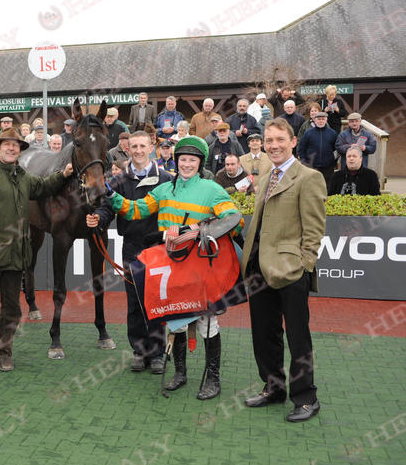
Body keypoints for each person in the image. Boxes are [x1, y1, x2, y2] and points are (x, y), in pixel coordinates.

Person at [105, 135, 243, 400]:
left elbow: (234, 219)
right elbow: (135, 210)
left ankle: (213, 379)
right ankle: (180, 373)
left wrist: (197, 228)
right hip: (172, 266)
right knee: (177, 322)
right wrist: (110, 195)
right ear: (176, 161)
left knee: (206, 323)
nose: (187, 164)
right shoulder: (164, 189)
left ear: (200, 162)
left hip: (201, 267)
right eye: (182, 159)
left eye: (192, 160)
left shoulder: (211, 189)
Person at [0, 128, 73, 374]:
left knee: (11, 309)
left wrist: (63, 174)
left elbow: (43, 187)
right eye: (7, 145)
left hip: (15, 255)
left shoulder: (23, 177)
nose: (12, 148)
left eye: (16, 145)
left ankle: (4, 353)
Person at [241, 118, 326, 422]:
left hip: (291, 270)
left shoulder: (309, 177)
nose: (273, 145)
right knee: (265, 334)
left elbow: (315, 229)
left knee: (298, 337)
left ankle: (306, 398)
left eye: (279, 139)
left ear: (292, 142)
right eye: (269, 140)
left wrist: (304, 265)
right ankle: (273, 388)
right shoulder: (266, 175)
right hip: (259, 267)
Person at [87, 131, 174, 374]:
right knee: (135, 303)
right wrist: (98, 219)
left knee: (156, 302)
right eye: (133, 146)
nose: (137, 150)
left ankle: (157, 353)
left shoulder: (166, 179)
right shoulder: (118, 182)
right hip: (132, 248)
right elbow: (107, 208)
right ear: (128, 148)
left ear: (151, 147)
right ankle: (140, 352)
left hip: (159, 249)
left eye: (142, 145)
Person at [298, 111, 338, 188]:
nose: (321, 121)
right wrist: (304, 161)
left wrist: (333, 161)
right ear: (315, 120)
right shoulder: (308, 133)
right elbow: (301, 148)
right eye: (319, 119)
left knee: (327, 187)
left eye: (323, 119)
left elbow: (336, 149)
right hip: (312, 166)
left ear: (326, 120)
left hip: (328, 168)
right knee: (311, 187)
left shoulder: (332, 133)